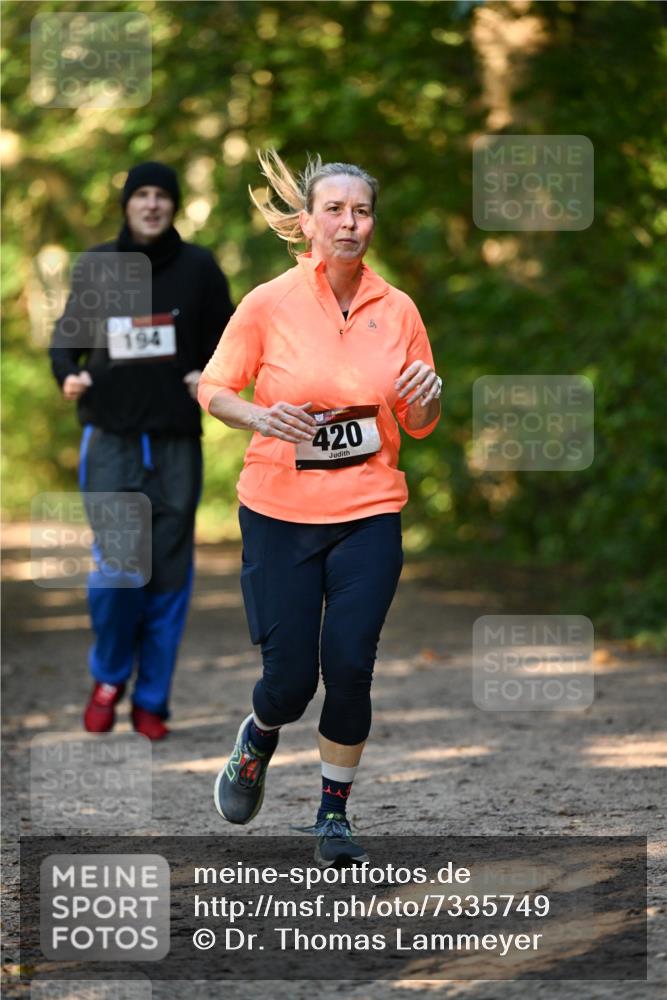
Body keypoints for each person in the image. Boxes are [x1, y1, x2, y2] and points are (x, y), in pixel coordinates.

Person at [198, 150, 441, 864]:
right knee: (289, 682)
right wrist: (259, 418)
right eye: (333, 209)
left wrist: (427, 402)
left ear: (372, 222)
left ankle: (333, 814)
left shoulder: (396, 309)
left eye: (360, 210)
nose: (348, 222)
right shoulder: (267, 303)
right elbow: (213, 389)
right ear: (306, 222)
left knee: (351, 663)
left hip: (368, 508)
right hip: (278, 512)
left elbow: (418, 419)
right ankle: (258, 738)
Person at [49, 161, 234, 740]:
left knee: (170, 575)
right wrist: (67, 376)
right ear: (127, 204)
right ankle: (109, 676)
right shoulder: (100, 265)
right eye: (142, 195)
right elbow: (67, 340)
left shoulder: (199, 267)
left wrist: (210, 372)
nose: (152, 204)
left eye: (162, 196)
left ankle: (152, 700)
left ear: (174, 205)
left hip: (177, 440)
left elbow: (229, 339)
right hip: (111, 437)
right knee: (119, 569)